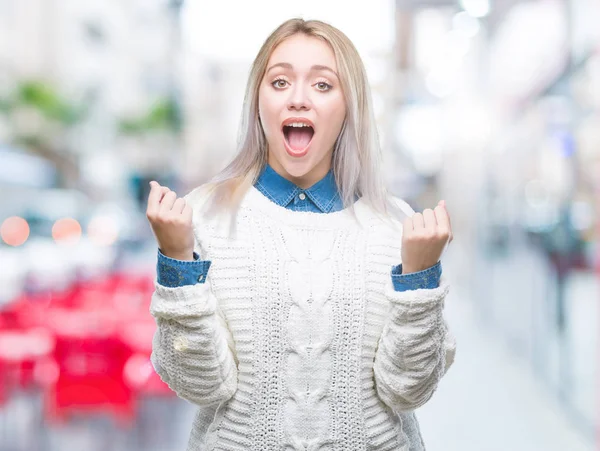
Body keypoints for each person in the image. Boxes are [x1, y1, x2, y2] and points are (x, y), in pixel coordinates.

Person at [146, 18, 456, 451]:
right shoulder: (203, 215)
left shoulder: (397, 226)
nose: (298, 99)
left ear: (350, 105)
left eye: (323, 85)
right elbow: (199, 386)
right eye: (279, 82)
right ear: (258, 101)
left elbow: (408, 391)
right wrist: (178, 260)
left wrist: (419, 280)